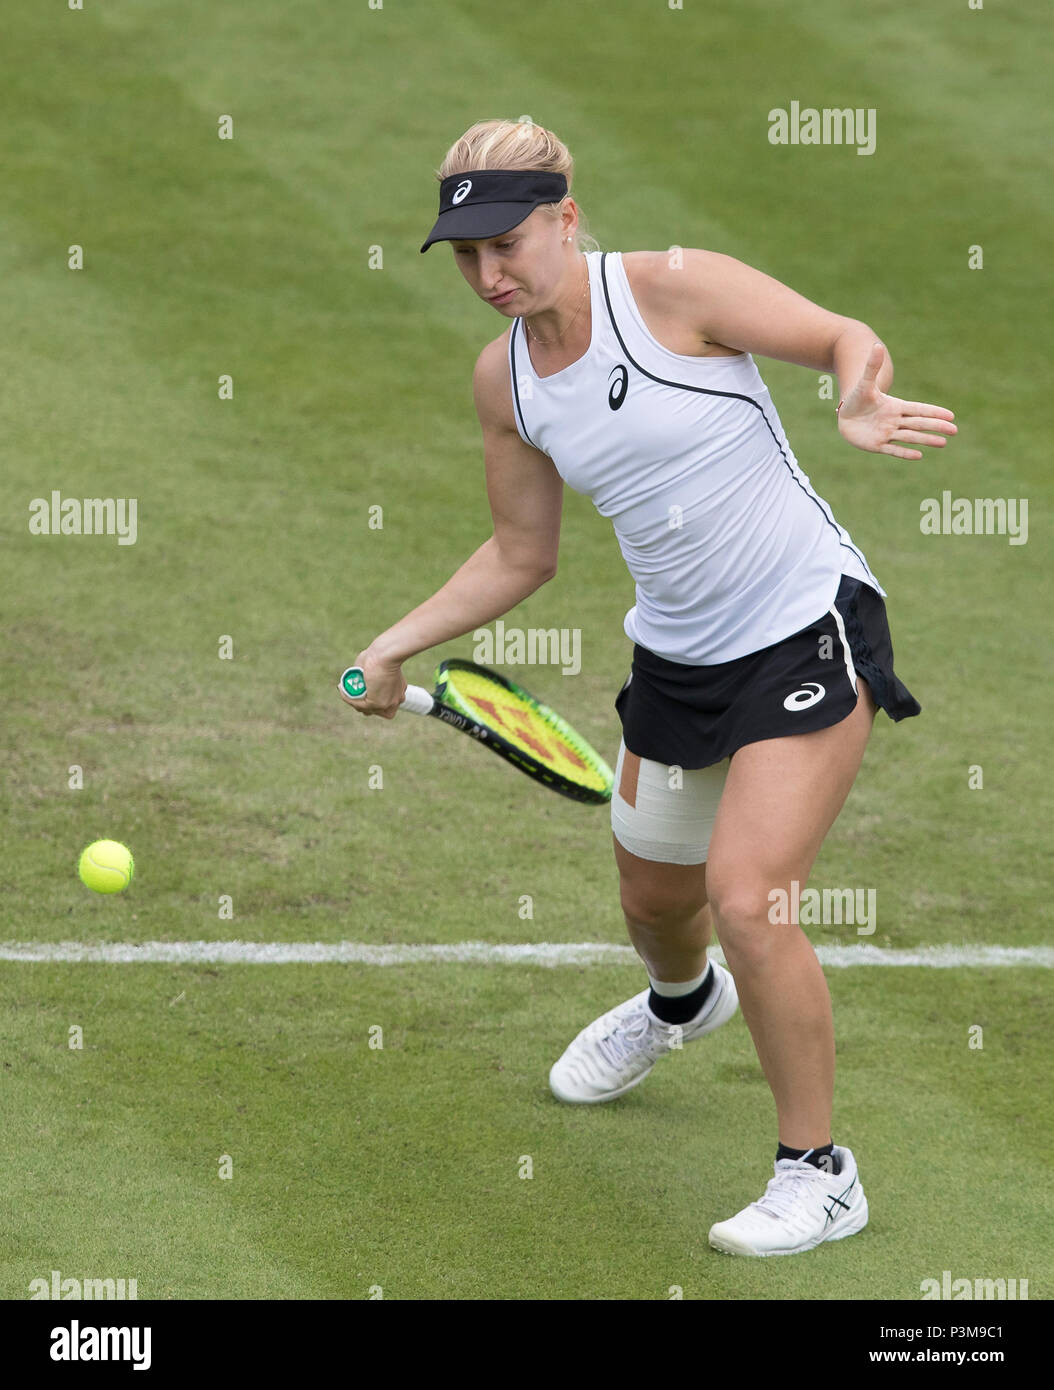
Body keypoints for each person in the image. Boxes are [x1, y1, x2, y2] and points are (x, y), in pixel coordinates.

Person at [341, 119, 956, 1257]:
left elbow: (838, 336)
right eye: (465, 255)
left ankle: (818, 1173)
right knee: (651, 904)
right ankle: (683, 1005)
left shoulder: (675, 292)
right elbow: (520, 552)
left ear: (566, 220)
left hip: (799, 621)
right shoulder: (506, 380)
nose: (488, 274)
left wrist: (858, 392)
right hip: (676, 655)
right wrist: (394, 643)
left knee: (749, 893)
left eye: (507, 242)